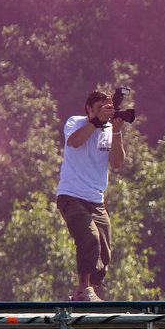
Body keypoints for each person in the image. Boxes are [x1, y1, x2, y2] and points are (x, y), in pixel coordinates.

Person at [55, 90, 126, 302]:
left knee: (104, 249)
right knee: (89, 238)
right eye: (100, 109)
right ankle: (83, 287)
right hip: (71, 195)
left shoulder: (109, 130)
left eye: (108, 109)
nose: (105, 114)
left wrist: (116, 132)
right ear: (89, 109)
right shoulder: (75, 122)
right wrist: (96, 122)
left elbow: (117, 162)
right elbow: (74, 142)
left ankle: (86, 293)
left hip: (96, 199)